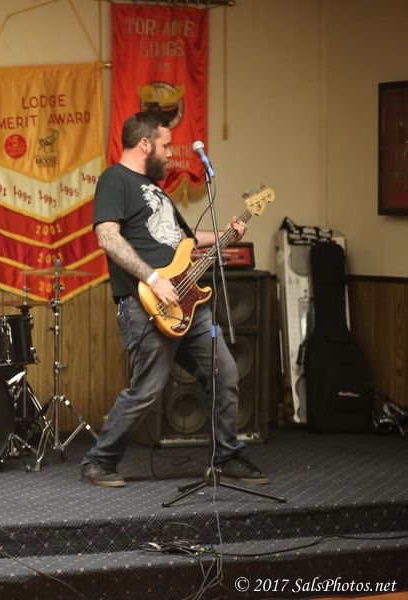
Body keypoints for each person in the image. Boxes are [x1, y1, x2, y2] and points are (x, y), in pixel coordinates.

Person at [80, 111, 269, 488]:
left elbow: (183, 241)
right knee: (147, 388)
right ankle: (99, 461)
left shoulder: (156, 190)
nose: (170, 154)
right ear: (144, 144)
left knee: (225, 373)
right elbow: (108, 237)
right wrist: (153, 278)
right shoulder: (115, 179)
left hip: (189, 302)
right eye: (165, 146)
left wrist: (225, 234)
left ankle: (227, 456)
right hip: (147, 303)